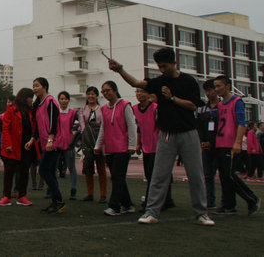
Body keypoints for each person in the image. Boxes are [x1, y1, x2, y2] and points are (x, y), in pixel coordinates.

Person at [109, 47, 214, 226]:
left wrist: (172, 98)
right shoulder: (159, 82)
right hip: (166, 135)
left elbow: (193, 106)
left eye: (165, 66)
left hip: (188, 133)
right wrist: (120, 70)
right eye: (159, 66)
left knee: (196, 175)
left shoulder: (188, 81)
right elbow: (136, 83)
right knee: (158, 175)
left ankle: (201, 213)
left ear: (174, 63)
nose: (162, 69)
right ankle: (151, 212)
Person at [212, 75, 261, 215]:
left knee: (230, 175)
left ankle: (252, 199)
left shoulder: (237, 102)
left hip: (230, 143)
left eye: (219, 86)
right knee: (224, 176)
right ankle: (228, 205)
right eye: (215, 87)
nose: (216, 89)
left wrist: (238, 142)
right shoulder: (220, 105)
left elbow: (241, 123)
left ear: (227, 86)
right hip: (220, 143)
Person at [94, 81, 137, 216]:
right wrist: (98, 145)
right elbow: (103, 128)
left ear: (115, 90)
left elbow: (131, 125)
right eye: (103, 91)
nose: (106, 93)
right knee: (117, 177)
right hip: (110, 148)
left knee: (118, 177)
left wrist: (132, 145)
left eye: (108, 90)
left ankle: (115, 206)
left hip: (122, 148)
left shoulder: (125, 105)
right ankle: (128, 205)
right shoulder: (104, 109)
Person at [133, 86, 175, 211]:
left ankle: (151, 202)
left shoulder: (156, 108)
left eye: (142, 92)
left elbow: (164, 126)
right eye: (137, 91)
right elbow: (139, 127)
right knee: (149, 174)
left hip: (158, 146)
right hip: (147, 146)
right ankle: (166, 200)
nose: (139, 94)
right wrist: (138, 143)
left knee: (154, 175)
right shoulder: (135, 109)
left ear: (149, 94)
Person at [0, 88, 38, 207]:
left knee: (25, 171)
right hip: (13, 146)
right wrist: (8, 144)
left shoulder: (31, 111)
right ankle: (6, 196)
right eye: (31, 97)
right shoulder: (11, 110)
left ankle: (22, 196)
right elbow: (6, 128)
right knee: (9, 171)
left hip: (26, 146)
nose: (32, 100)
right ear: (25, 98)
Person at [32, 77, 64, 214]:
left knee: (44, 170)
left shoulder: (50, 101)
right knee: (49, 172)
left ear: (45, 87)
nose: (34, 88)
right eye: (33, 86)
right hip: (46, 143)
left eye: (37, 85)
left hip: (53, 143)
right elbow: (38, 125)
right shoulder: (39, 105)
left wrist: (51, 139)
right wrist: (33, 139)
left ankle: (58, 199)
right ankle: (56, 202)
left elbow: (53, 122)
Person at [78, 86, 108, 203]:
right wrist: (87, 138)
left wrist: (99, 142)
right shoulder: (82, 110)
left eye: (93, 94)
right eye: (89, 94)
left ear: (97, 96)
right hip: (88, 142)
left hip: (100, 141)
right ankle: (90, 194)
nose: (90, 96)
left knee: (101, 169)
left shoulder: (102, 109)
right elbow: (82, 125)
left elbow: (103, 125)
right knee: (88, 168)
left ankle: (103, 195)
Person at [197, 79, 220, 209]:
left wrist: (212, 142)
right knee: (207, 175)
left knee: (225, 175)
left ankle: (227, 202)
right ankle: (210, 201)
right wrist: (203, 142)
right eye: (206, 91)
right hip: (206, 146)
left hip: (220, 145)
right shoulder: (203, 109)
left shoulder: (222, 107)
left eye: (210, 90)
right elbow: (199, 127)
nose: (208, 93)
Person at [57, 91, 78, 201]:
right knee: (53, 167)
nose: (64, 101)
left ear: (69, 100)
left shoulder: (73, 113)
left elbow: (81, 123)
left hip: (69, 144)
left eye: (65, 99)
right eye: (61, 99)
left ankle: (73, 190)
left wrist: (75, 132)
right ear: (58, 100)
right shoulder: (55, 113)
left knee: (72, 167)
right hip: (57, 144)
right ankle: (52, 190)